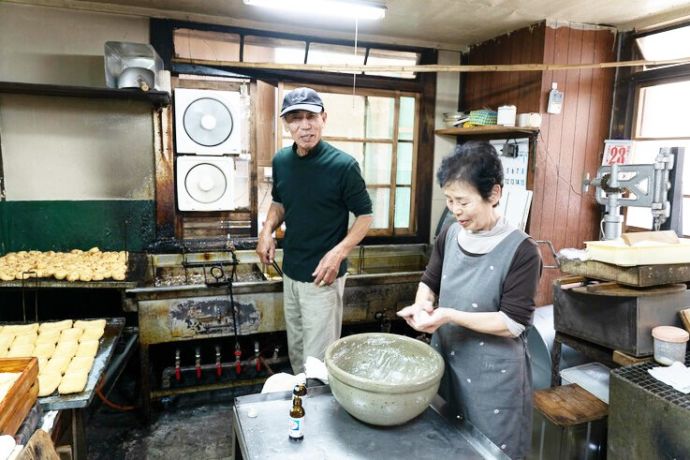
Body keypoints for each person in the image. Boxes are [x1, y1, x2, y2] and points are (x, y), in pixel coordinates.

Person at [397, 141, 542, 459]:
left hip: (495, 378)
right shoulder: (450, 234)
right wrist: (423, 305)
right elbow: (430, 282)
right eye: (449, 201)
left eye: (463, 201)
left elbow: (512, 323)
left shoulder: (522, 251)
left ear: (494, 194)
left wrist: (447, 314)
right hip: (446, 364)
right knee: (445, 447)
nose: (455, 210)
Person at [257, 87, 373, 374]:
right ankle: (302, 410)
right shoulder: (282, 161)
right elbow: (280, 202)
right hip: (291, 272)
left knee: (318, 362)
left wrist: (338, 252)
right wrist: (267, 230)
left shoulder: (343, 166)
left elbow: (365, 216)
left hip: (324, 276)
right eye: (295, 118)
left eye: (311, 116)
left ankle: (318, 412)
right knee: (297, 352)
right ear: (287, 124)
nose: (304, 125)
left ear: (324, 118)